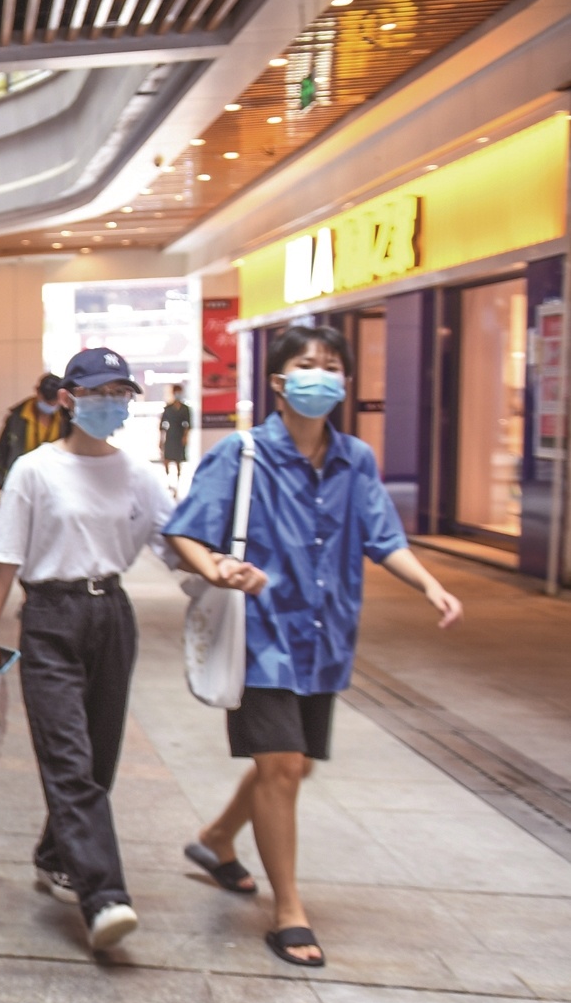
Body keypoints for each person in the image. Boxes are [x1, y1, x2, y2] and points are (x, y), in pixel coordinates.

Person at [163, 325, 462, 969]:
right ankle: (289, 911)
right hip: (260, 634)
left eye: (331, 366)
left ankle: (216, 838)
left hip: (324, 638)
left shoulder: (357, 459)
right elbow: (184, 532)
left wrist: (430, 585)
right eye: (305, 365)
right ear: (278, 381)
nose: (319, 376)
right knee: (281, 766)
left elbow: (385, 538)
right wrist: (218, 570)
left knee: (296, 765)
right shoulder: (242, 454)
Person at [0, 347, 173, 952]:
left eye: (120, 394)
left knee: (100, 759)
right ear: (67, 399)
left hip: (112, 615)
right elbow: (6, 557)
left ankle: (56, 855)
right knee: (68, 757)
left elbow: (175, 540)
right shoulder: (34, 470)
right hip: (51, 617)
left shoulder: (139, 474)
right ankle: (103, 895)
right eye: (98, 393)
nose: (111, 404)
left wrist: (220, 569)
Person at [0, 372, 70, 504]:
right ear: (37, 392)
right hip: (22, 483)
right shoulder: (17, 418)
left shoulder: (66, 419)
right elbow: (1, 452)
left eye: (54, 402)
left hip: (56, 484)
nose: (51, 406)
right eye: (47, 401)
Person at [158, 383, 193, 486]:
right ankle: (168, 480)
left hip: (179, 434)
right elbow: (162, 425)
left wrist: (185, 436)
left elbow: (188, 424)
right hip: (170, 435)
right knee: (167, 458)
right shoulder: (168, 408)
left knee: (178, 459)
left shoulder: (185, 408)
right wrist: (161, 439)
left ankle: (177, 481)